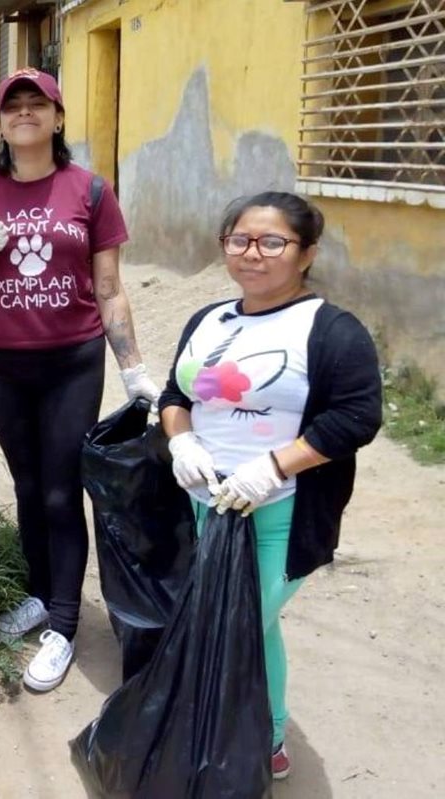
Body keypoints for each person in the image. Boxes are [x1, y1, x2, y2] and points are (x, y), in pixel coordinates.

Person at [0, 67, 161, 693]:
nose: (25, 113)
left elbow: (110, 288)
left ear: (58, 119)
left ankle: (63, 626)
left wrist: (135, 371)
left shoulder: (90, 191)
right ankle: (40, 596)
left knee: (64, 489)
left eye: (38, 103)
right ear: (0, 123)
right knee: (28, 484)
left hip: (72, 358)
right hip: (3, 360)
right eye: (13, 105)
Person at [159, 191, 382, 780]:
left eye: (272, 242)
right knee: (255, 627)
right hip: (211, 505)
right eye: (239, 240)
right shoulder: (207, 320)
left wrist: (275, 467)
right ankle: (270, 733)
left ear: (306, 253)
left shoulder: (330, 330)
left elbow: (357, 417)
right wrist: (180, 440)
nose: (252, 254)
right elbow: (175, 396)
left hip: (282, 511)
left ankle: (211, 734)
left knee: (232, 626)